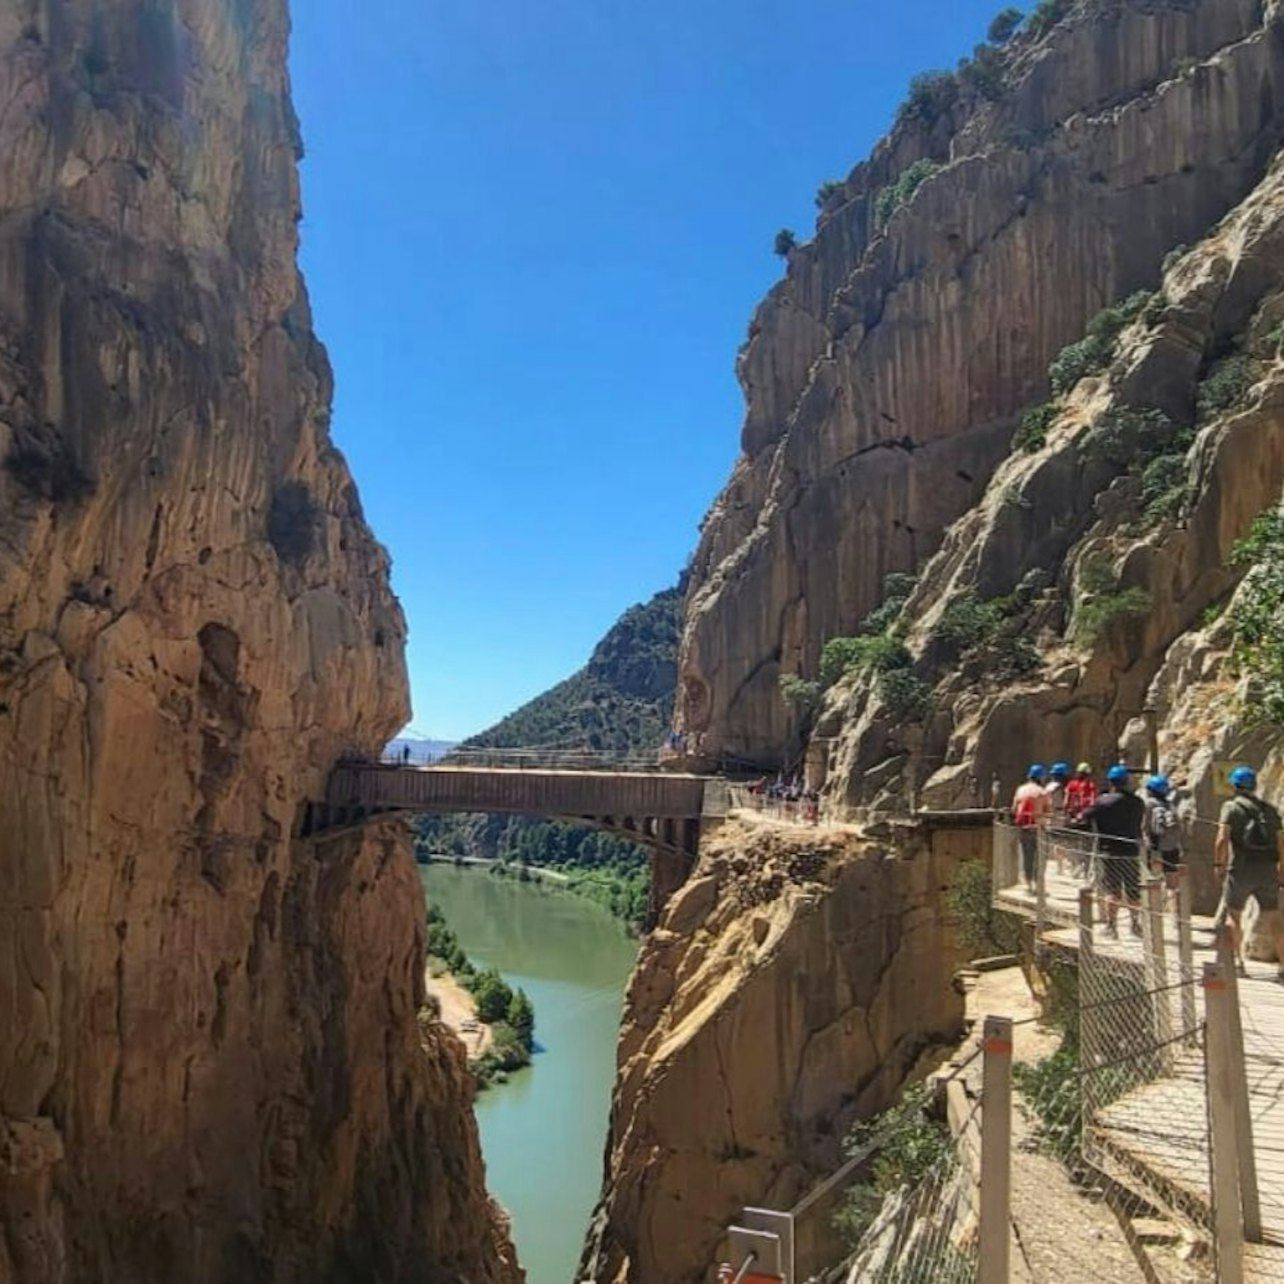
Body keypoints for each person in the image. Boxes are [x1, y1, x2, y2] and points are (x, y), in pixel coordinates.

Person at [1214, 765, 1284, 977]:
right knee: (1275, 919)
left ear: (1235, 786)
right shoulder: (1270, 810)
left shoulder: (1231, 807)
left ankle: (1237, 964)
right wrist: (1281, 870)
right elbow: (1282, 842)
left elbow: (1221, 839)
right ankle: (1282, 967)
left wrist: (1219, 865)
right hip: (1268, 870)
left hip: (1241, 869)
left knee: (1234, 916)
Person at [1080, 764, 1145, 938]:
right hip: (1131, 851)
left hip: (1109, 851)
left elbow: (1085, 817)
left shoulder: (1102, 802)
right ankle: (1135, 924)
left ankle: (1112, 927)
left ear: (1111, 781)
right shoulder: (1138, 803)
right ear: (1126, 781)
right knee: (1133, 889)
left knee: (1112, 890)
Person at [1012, 764, 1051, 894]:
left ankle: (1028, 885)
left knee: (1026, 856)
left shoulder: (1020, 790)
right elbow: (1048, 811)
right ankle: (1038, 884)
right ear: (1041, 777)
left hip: (1023, 827)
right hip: (1038, 829)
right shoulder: (1042, 792)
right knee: (1040, 858)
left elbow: (1014, 809)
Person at [1143, 774, 1182, 899]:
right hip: (1172, 848)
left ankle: (1157, 913)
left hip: (1155, 848)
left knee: (1155, 881)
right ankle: (1175, 914)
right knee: (1172, 885)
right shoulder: (1170, 805)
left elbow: (1144, 826)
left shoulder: (1149, 804)